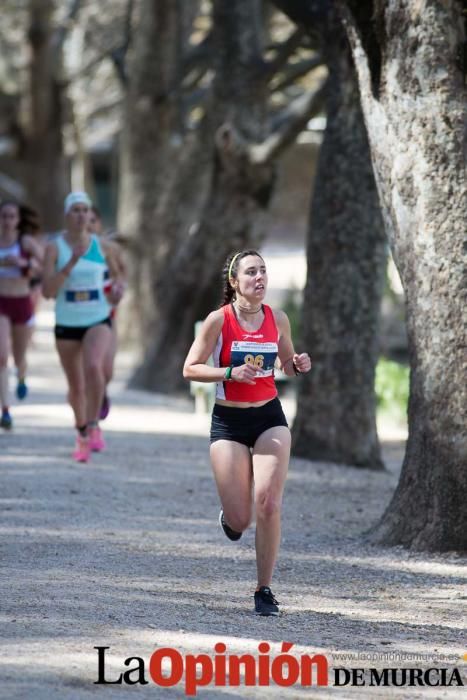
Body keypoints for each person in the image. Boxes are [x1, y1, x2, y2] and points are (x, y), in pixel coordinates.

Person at [183, 250, 311, 616]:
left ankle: (264, 589)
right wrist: (227, 374)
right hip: (229, 422)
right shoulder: (218, 321)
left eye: (263, 271)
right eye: (251, 272)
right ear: (234, 282)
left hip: (269, 417)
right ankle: (229, 518)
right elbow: (190, 369)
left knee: (269, 503)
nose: (260, 278)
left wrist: (297, 364)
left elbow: (285, 361)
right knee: (241, 519)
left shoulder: (278, 318)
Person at [42, 192, 125, 462]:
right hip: (67, 322)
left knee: (93, 366)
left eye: (85, 210)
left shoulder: (103, 247)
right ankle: (81, 434)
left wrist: (117, 292)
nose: (81, 215)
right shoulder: (54, 248)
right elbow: (47, 291)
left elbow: (115, 278)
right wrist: (72, 262)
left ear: (90, 215)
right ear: (67, 215)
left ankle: (93, 424)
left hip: (98, 317)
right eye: (75, 210)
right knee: (75, 385)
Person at [0, 201, 43, 429]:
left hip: (22, 302)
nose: (7, 221)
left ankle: (22, 376)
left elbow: (45, 265)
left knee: (19, 356)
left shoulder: (25, 243)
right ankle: (5, 410)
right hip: (1, 302)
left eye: (11, 216)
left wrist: (24, 263)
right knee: (1, 355)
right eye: (3, 216)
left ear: (18, 220)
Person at [87, 205, 126, 420]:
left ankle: (100, 393)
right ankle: (88, 418)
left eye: (93, 220)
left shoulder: (109, 249)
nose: (89, 224)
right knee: (90, 365)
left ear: (99, 223)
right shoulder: (71, 249)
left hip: (107, 314)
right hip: (80, 317)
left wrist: (118, 290)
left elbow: (121, 276)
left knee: (107, 369)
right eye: (86, 220)